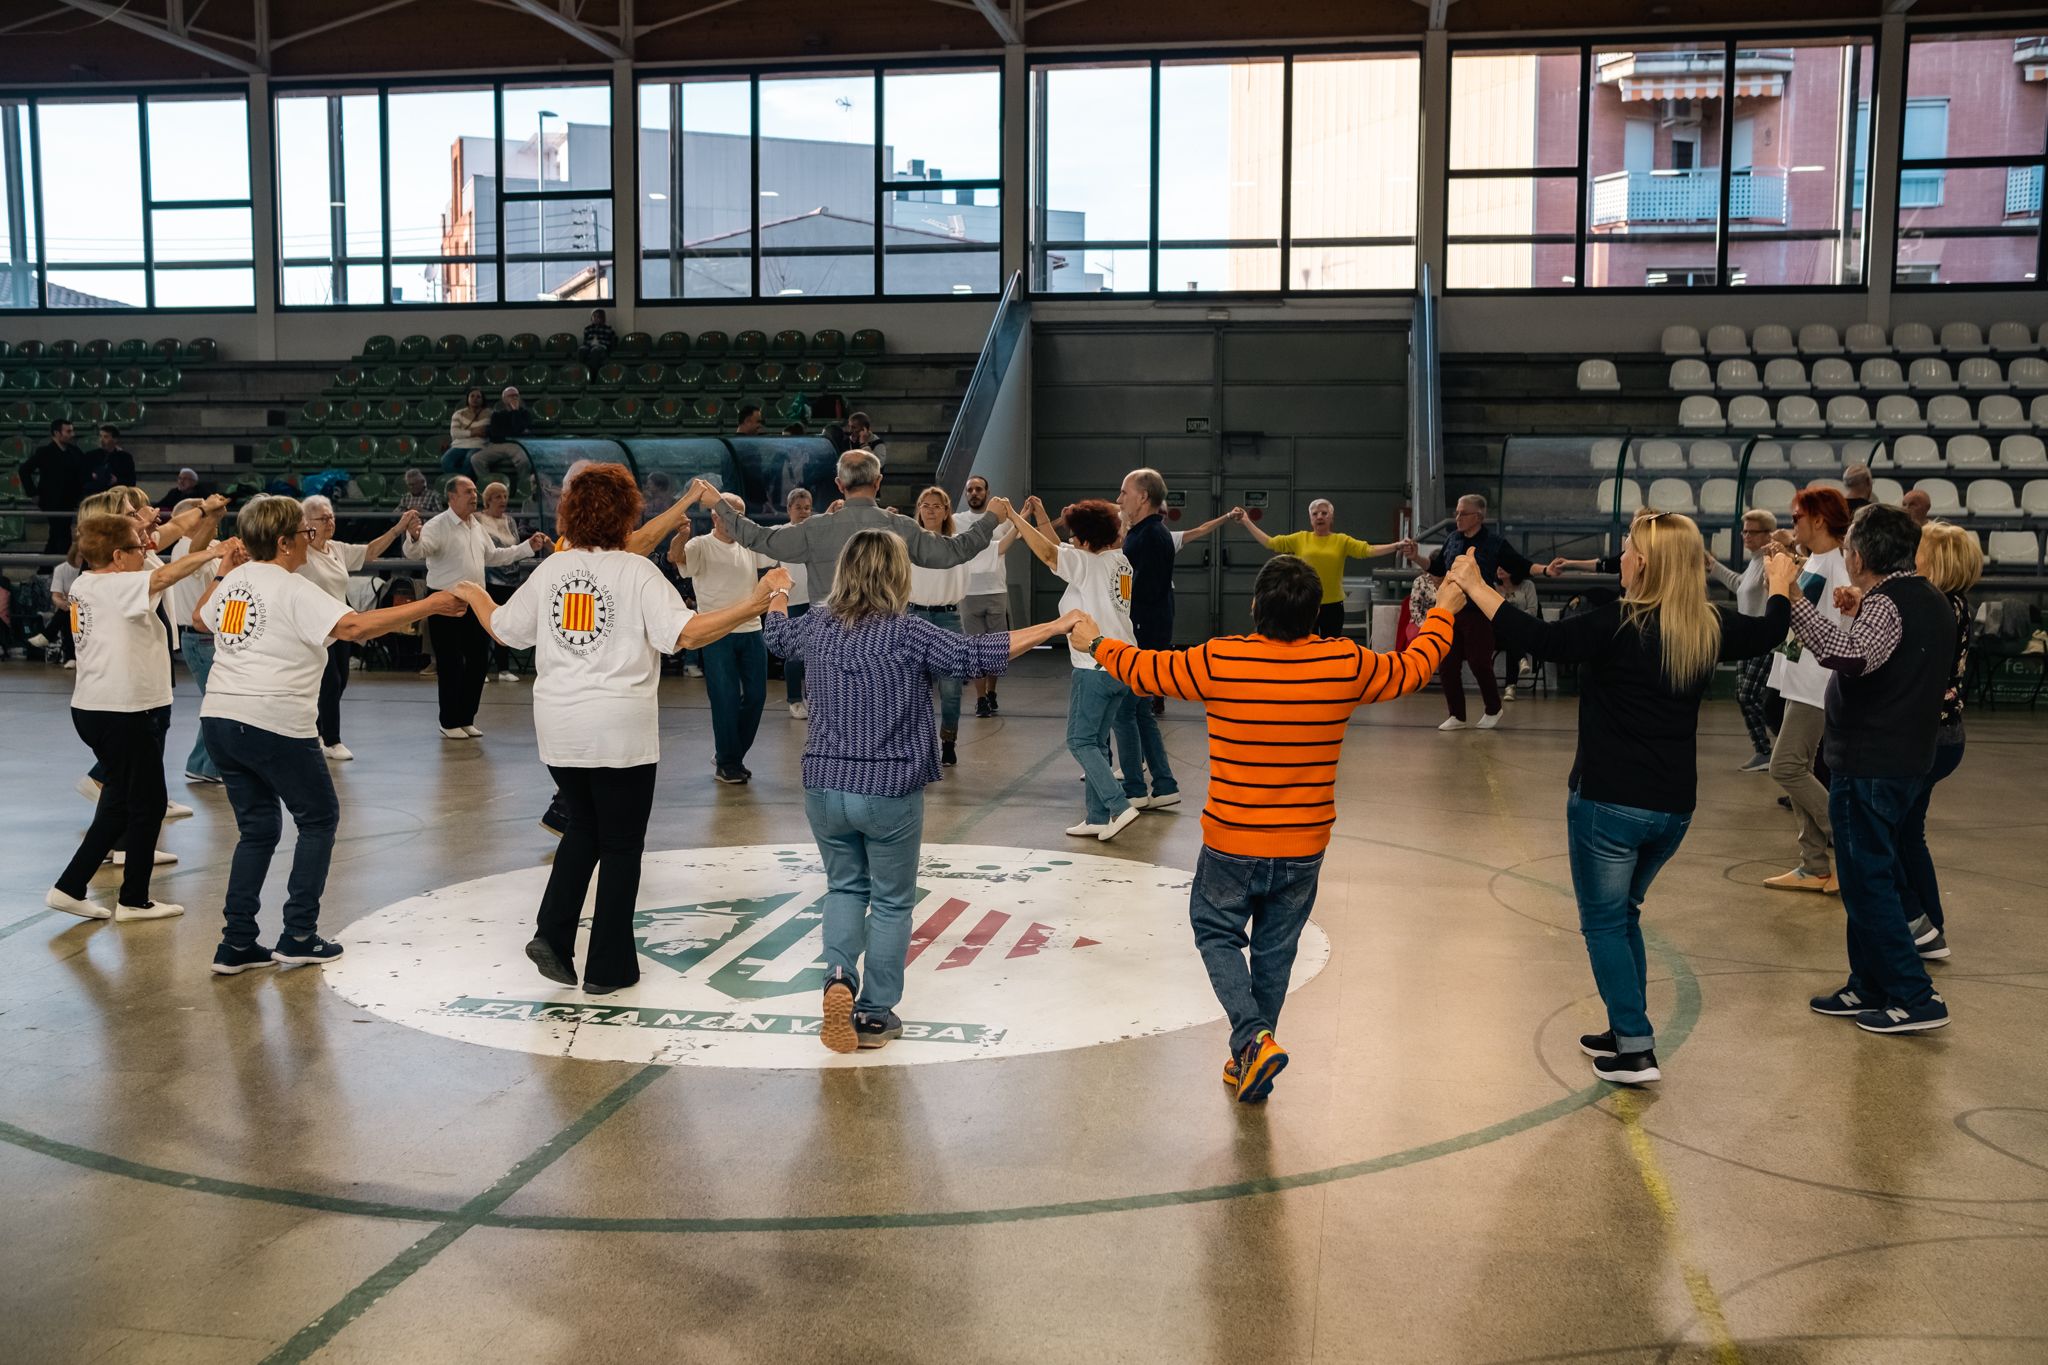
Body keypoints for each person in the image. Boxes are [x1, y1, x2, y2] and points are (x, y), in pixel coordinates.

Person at [1080, 554, 1461, 1101]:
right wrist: (1444, 609)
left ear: (1256, 606)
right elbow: (1413, 667)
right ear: (1315, 615)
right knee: (1275, 954)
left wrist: (1096, 642)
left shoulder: (1221, 659)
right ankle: (1253, 1055)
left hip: (1232, 841)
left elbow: (1146, 669)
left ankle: (1252, 1040)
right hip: (1304, 845)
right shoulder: (1345, 663)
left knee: (1215, 932)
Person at [1445, 510, 1800, 1084]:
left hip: (1609, 806)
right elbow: (1769, 630)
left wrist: (1476, 586)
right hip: (1672, 811)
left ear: (1649, 564)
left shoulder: (1617, 623)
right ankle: (1623, 1024)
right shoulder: (1708, 625)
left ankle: (1634, 1048)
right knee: (1623, 914)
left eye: (1631, 549)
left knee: (1605, 924)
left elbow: (1541, 639)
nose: (1624, 558)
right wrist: (1782, 588)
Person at [448, 465, 791, 994]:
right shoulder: (638, 574)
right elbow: (688, 634)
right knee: (623, 845)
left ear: (571, 515)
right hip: (620, 731)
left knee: (583, 827)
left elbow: (507, 631)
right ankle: (608, 968)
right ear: (627, 513)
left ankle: (553, 935)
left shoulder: (553, 571)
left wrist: (475, 595)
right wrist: (757, 600)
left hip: (559, 731)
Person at [762, 529, 1081, 1052]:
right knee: (890, 902)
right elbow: (982, 654)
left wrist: (777, 591)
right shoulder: (908, 633)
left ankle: (838, 978)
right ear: (897, 574)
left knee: (844, 888)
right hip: (888, 788)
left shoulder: (816, 625)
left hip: (823, 787)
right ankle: (873, 1015)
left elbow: (777, 637)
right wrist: (1057, 623)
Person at [195, 496, 471, 975]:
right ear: (283, 543)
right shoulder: (293, 588)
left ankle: (237, 942)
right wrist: (431, 603)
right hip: (274, 721)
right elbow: (355, 626)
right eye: (303, 533)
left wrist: (223, 568)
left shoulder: (238, 580)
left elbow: (201, 618)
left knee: (257, 831)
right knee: (319, 819)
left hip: (221, 719)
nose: (310, 539)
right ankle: (299, 933)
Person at [1792, 504, 1956, 1035]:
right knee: (1869, 874)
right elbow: (1888, 649)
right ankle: (1868, 983)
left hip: (1871, 762)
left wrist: (1792, 597)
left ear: (1857, 556)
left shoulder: (1888, 603)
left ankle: (1914, 995)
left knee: (1868, 881)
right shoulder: (1929, 598)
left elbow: (1850, 655)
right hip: (1905, 758)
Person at [43, 514, 233, 923]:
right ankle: (134, 899)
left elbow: (159, 554)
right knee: (148, 804)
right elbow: (163, 577)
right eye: (136, 546)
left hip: (100, 707)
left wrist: (160, 528)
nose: (145, 549)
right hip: (124, 710)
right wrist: (214, 553)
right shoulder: (115, 585)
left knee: (118, 802)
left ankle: (69, 887)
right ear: (116, 555)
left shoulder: (87, 582)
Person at [1005, 495, 1145, 841]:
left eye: (1074, 536)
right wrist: (1040, 514)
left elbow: (1050, 553)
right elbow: (1059, 552)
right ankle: (1097, 817)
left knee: (1079, 740)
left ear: (1085, 541)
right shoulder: (1117, 560)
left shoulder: (1087, 564)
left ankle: (1118, 806)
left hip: (1093, 667)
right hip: (1122, 663)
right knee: (1095, 742)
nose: (1069, 541)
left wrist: (1012, 516)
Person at [706, 452, 999, 604]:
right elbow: (956, 552)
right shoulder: (900, 527)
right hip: (887, 643)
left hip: (828, 643)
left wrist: (719, 505)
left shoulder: (813, 529)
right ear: (878, 482)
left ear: (839, 485)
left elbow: (758, 538)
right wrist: (991, 518)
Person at [1883, 522, 1981, 963]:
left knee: (1888, 834)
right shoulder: (1955, 604)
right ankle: (1929, 926)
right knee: (1908, 833)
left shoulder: (1937, 605)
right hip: (1944, 735)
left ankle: (1918, 924)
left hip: (1928, 735)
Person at [403, 475, 548, 738]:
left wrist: (527, 547)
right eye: (467, 491)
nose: (474, 495)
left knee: (479, 662)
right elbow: (417, 551)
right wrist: (413, 537)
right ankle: (448, 722)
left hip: (475, 601)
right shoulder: (438, 525)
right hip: (445, 602)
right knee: (450, 664)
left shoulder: (476, 525)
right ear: (452, 497)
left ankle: (466, 717)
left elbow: (493, 556)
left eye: (474, 491)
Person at [1765, 486, 1853, 894]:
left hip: (1817, 684)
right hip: (1797, 676)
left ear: (1818, 519)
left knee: (1785, 766)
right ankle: (1814, 864)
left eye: (1797, 516)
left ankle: (1850, 844)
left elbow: (1844, 630)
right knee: (1795, 769)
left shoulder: (1840, 565)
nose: (1791, 523)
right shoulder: (1815, 560)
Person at [1408, 493, 1546, 731]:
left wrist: (1545, 570)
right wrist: (1416, 557)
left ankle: (1493, 708)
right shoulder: (1452, 539)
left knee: (1479, 662)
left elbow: (1520, 564)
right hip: (1451, 610)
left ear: (1478, 516)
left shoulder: (1495, 543)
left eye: (1463, 513)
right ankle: (1457, 715)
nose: (1457, 517)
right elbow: (1439, 566)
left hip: (1479, 612)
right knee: (1447, 664)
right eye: (1457, 512)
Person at [298, 495, 421, 760]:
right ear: (307, 522)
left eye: (331, 516)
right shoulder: (299, 552)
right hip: (314, 627)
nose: (330, 521)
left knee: (341, 679)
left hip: (341, 622)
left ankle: (317, 731)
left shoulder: (336, 549)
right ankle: (331, 740)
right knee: (328, 682)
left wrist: (398, 529)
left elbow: (370, 551)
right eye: (323, 518)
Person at [671, 491, 775, 784]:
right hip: (715, 632)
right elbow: (676, 558)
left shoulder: (749, 545)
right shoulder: (700, 545)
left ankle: (729, 754)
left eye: (740, 514)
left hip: (751, 629)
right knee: (725, 698)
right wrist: (681, 535)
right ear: (715, 516)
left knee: (756, 696)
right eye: (730, 513)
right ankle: (728, 762)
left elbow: (778, 546)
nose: (736, 519)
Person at [1233, 498, 1413, 639]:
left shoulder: (1342, 541)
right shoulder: (1300, 538)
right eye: (1315, 513)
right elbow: (1270, 542)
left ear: (1331, 517)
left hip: (1333, 605)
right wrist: (1247, 521)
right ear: (1310, 518)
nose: (1319, 516)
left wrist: (1396, 545)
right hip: (1305, 603)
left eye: (1324, 513)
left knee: (1330, 647)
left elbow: (1368, 550)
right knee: (1303, 645)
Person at [1112, 468, 1181, 806]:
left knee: (1123, 712)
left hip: (1142, 637)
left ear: (1142, 497)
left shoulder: (1151, 537)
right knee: (1139, 712)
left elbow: (1145, 593)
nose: (1119, 499)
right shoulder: (1143, 533)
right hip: (1145, 634)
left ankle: (1135, 789)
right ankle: (1165, 785)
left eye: (1124, 492)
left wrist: (1127, 629)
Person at [907, 486, 972, 768]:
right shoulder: (907, 543)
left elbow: (995, 549)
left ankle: (948, 741)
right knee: (913, 686)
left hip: (948, 618)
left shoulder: (957, 543)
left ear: (946, 511)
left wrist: (1018, 524)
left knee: (950, 687)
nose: (931, 509)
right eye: (925, 504)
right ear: (919, 510)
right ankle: (918, 745)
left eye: (937, 505)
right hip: (914, 616)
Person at [1713, 509, 1780, 772]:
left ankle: (1768, 749)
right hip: (1748, 636)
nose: (1745, 536)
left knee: (1747, 694)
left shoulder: (1771, 560)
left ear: (1767, 534)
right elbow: (1741, 585)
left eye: (1751, 532)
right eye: (1744, 531)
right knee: (1745, 694)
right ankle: (1763, 750)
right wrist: (1713, 567)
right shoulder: (1755, 561)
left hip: (1763, 637)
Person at [955, 475, 1018, 718]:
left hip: (996, 591)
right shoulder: (956, 521)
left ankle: (992, 692)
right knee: (974, 649)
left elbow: (1019, 532)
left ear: (987, 493)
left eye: (978, 489)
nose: (973, 493)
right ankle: (980, 698)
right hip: (969, 593)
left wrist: (1022, 514)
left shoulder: (1000, 522)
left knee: (995, 648)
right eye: (970, 489)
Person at [475, 481, 529, 683]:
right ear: (488, 500)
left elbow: (514, 548)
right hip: (488, 580)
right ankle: (481, 669)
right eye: (498, 496)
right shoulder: (478, 519)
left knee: (503, 625)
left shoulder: (510, 521)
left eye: (505, 496)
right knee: (483, 626)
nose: (503, 500)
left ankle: (504, 669)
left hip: (510, 580)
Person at [20, 418, 86, 556]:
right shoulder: (45, 452)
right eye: (68, 431)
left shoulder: (74, 451)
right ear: (57, 433)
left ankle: (44, 570)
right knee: (62, 536)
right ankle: (50, 569)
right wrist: (33, 493)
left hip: (69, 501)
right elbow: (24, 470)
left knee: (57, 536)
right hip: (51, 500)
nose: (72, 434)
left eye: (72, 431)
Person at [780, 489, 814, 718]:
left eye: (807, 507)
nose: (803, 512)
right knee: (794, 654)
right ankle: (794, 699)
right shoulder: (781, 534)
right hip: (793, 601)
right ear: (789, 509)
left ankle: (812, 697)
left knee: (814, 655)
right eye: (798, 507)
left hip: (816, 600)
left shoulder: (816, 531)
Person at [475, 387, 534, 495]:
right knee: (476, 459)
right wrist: (513, 433)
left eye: (516, 395)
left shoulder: (525, 414)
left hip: (517, 444)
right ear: (504, 399)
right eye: (510, 396)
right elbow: (495, 434)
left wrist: (515, 411)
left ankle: (523, 489)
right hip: (498, 445)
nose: (514, 398)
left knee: (524, 461)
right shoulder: (497, 415)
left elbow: (520, 431)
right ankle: (489, 488)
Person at [1495, 565, 1541, 700]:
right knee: (1511, 634)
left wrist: (1513, 618)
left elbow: (1533, 610)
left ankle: (1511, 687)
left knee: (1513, 635)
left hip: (1523, 629)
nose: (1499, 569)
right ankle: (1519, 665)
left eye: (1503, 566)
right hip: (1499, 632)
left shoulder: (1527, 585)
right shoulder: (1493, 587)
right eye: (1497, 567)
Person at [446, 388, 491, 476]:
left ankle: (464, 483)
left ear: (482, 400)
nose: (475, 399)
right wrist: (473, 432)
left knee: (469, 459)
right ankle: (461, 481)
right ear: (468, 398)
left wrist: (464, 432)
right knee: (445, 461)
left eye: (478, 397)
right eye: (472, 396)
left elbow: (484, 431)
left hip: (479, 445)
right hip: (459, 445)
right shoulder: (458, 414)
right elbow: (455, 433)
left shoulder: (489, 414)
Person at [86, 426, 136, 496]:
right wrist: (92, 476)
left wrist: (117, 480)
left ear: (115, 439)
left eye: (105, 437)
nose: (101, 440)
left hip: (116, 495)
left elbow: (131, 481)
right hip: (95, 494)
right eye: (100, 436)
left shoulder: (125, 458)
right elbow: (81, 477)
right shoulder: (90, 456)